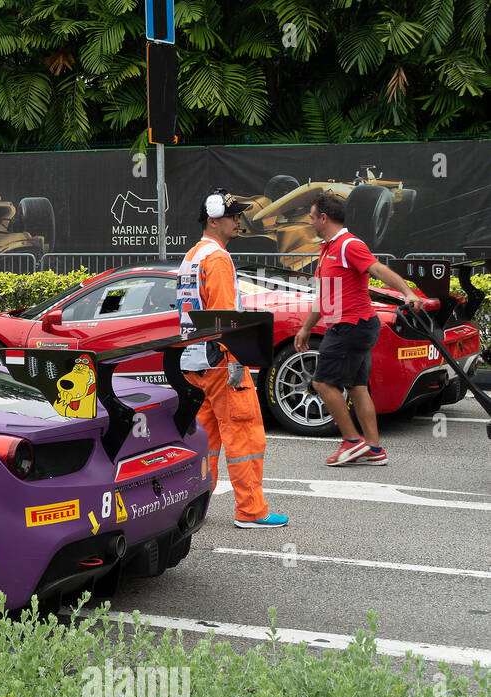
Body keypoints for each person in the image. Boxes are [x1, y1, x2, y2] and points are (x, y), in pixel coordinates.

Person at [178, 188, 289, 528]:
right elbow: (225, 316)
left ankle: (196, 507)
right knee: (245, 435)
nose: (239, 221)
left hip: (194, 361)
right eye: (233, 216)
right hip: (223, 361)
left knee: (206, 440)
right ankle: (251, 512)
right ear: (213, 221)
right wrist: (238, 359)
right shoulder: (218, 259)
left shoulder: (192, 256)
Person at [293, 194, 425, 466]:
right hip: (355, 325)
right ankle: (374, 449)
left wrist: (407, 293)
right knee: (356, 386)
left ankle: (352, 442)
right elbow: (325, 296)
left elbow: (378, 268)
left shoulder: (349, 244)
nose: (309, 220)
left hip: (350, 326)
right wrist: (305, 328)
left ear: (324, 218)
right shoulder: (328, 249)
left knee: (321, 383)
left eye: (311, 216)